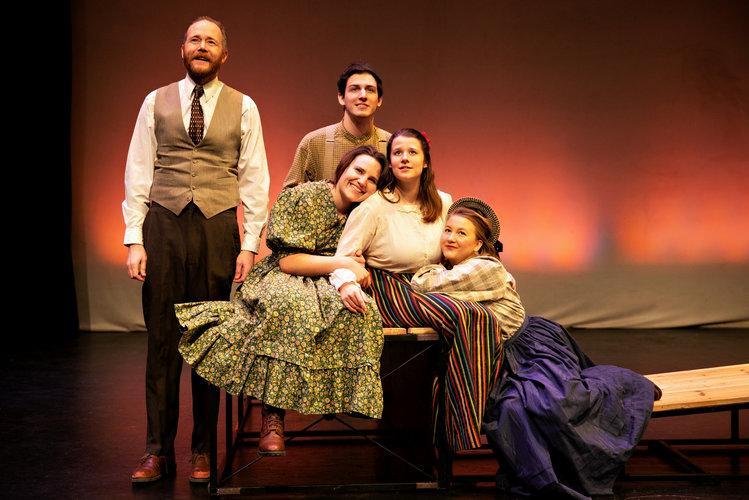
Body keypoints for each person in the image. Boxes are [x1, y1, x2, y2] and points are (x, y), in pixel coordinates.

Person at [411, 198, 658, 499]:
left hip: (530, 351)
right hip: (500, 360)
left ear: (478, 245)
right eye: (448, 230)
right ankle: (544, 478)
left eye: (462, 233)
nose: (450, 237)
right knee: (512, 410)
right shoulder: (455, 269)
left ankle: (581, 460)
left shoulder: (483, 268)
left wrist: (426, 271)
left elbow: (423, 286)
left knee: (552, 404)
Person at [122, 16, 270, 483]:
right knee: (163, 342)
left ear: (224, 55)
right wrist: (133, 238)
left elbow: (254, 179)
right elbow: (138, 170)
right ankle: (157, 451)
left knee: (209, 343)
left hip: (216, 228)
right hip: (163, 225)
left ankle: (202, 450)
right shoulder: (155, 101)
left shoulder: (244, 107)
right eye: (194, 39)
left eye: (211, 41)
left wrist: (250, 245)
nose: (201, 46)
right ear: (182, 49)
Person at [175, 146, 387, 457]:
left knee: (360, 310)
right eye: (358, 170)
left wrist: (353, 268)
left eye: (372, 179)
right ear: (343, 168)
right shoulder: (305, 196)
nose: (361, 181)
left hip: (328, 279)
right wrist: (343, 263)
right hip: (287, 274)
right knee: (291, 307)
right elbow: (289, 263)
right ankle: (272, 416)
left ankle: (346, 396)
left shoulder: (365, 212)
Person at [333, 129, 504, 452]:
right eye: (397, 153)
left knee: (485, 319)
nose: (404, 158)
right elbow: (343, 256)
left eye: (412, 152)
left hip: (433, 281)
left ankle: (462, 418)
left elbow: (459, 244)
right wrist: (345, 284)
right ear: (391, 162)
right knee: (468, 315)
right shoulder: (374, 206)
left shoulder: (444, 202)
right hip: (389, 287)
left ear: (425, 160)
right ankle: (463, 431)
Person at [282, 63, 391, 187]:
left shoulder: (392, 146)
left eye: (370, 90)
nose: (363, 96)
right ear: (341, 97)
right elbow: (288, 198)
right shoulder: (314, 143)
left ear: (379, 100)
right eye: (354, 89)